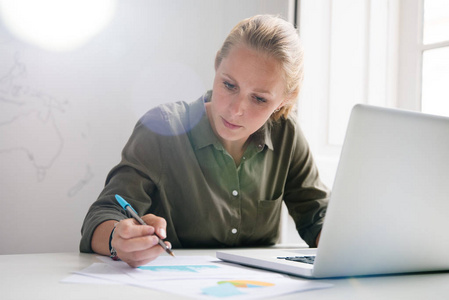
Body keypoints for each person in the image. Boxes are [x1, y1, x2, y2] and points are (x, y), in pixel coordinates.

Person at [80, 14, 329, 268]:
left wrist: (343, 244)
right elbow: (102, 215)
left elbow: (319, 216)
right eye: (229, 85)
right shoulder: (162, 129)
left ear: (286, 100)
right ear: (217, 63)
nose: (235, 110)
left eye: (259, 99)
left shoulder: (286, 134)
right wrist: (117, 238)